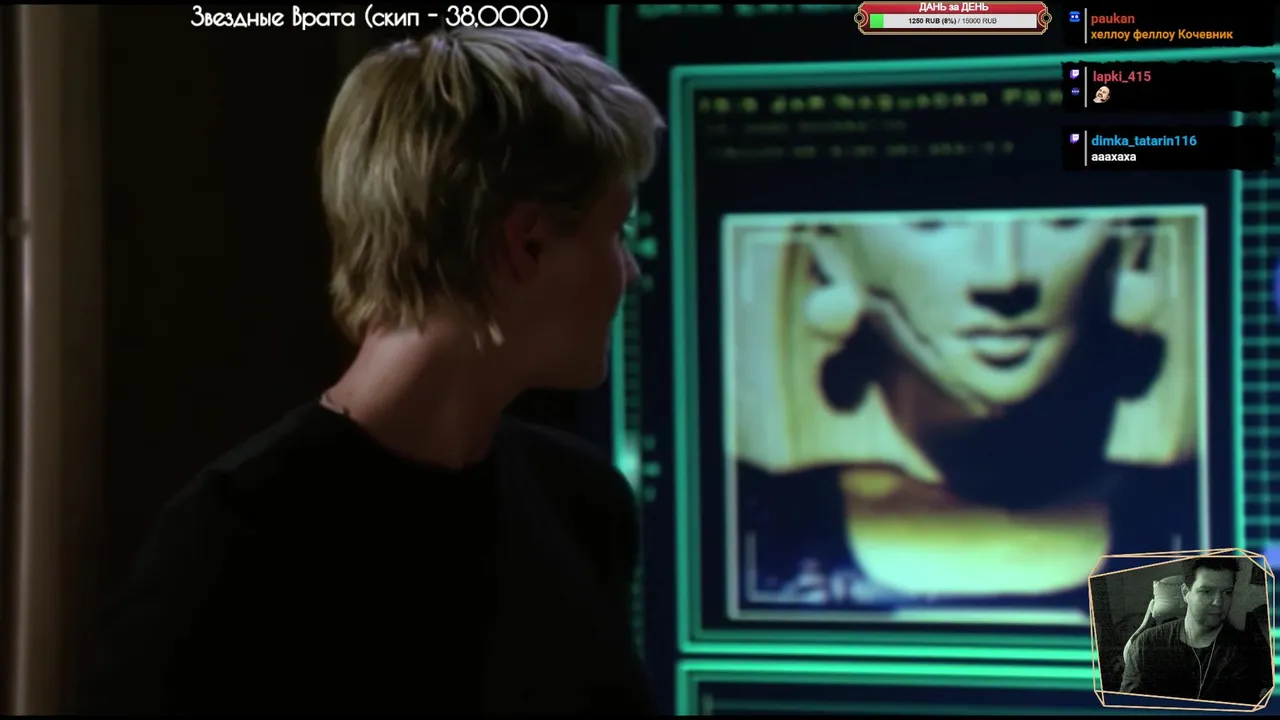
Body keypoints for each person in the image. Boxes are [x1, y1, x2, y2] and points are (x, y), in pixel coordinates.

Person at [84, 28, 662, 715]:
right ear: (525, 244)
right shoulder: (232, 544)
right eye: (616, 232)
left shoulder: (583, 507)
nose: (630, 271)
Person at [736, 215, 1200, 609]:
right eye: (931, 223)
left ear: (1132, 248)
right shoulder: (733, 524)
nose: (1005, 279)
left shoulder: (1201, 515)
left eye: (1062, 221)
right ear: (833, 257)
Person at [1120, 557, 1273, 704]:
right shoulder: (1147, 645)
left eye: (1227, 592)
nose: (1218, 602)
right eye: (1206, 591)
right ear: (1185, 593)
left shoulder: (1248, 651)